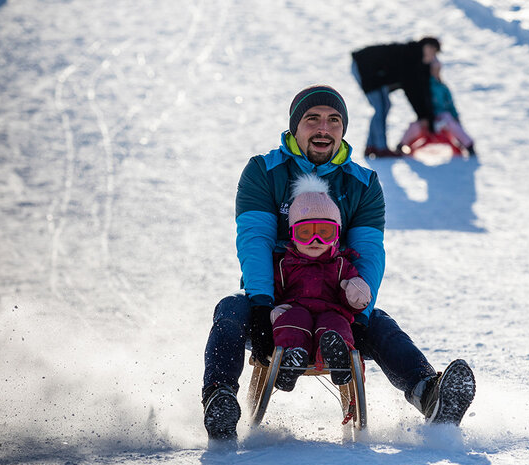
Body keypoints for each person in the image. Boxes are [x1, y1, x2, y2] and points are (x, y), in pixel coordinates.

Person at [202, 84, 476, 441]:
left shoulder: (361, 183)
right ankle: (219, 400)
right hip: (275, 304)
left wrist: (359, 313)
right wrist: (260, 303)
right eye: (312, 119)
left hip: (338, 308)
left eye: (334, 120)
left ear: (343, 129)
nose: (323, 128)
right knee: (229, 310)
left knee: (379, 324)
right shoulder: (264, 171)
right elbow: (255, 239)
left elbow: (369, 252)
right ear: (295, 127)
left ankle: (429, 392)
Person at [269, 174, 372, 390]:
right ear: (292, 235)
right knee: (294, 319)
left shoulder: (341, 265)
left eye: (324, 232)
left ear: (336, 236)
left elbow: (352, 290)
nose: (316, 241)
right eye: (305, 233)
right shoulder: (283, 264)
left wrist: (356, 294)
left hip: (331, 313)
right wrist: (274, 311)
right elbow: (275, 291)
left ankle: (337, 357)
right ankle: (291, 360)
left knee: (336, 324)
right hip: (295, 310)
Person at [351, 37, 441, 158]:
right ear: (424, 46)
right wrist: (423, 116)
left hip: (376, 73)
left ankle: (371, 146)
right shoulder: (411, 57)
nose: (431, 54)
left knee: (384, 105)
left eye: (434, 52)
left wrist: (425, 116)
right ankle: (380, 148)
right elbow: (412, 91)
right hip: (365, 66)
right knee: (381, 107)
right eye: (430, 49)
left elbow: (421, 91)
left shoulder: (419, 65)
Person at [398, 59, 476, 157]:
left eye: (438, 69)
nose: (436, 72)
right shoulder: (423, 86)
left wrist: (455, 117)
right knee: (414, 126)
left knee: (450, 121)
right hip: (426, 117)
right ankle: (401, 145)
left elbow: (450, 105)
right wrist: (423, 116)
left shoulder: (442, 87)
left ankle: (468, 144)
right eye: (433, 69)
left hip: (441, 116)